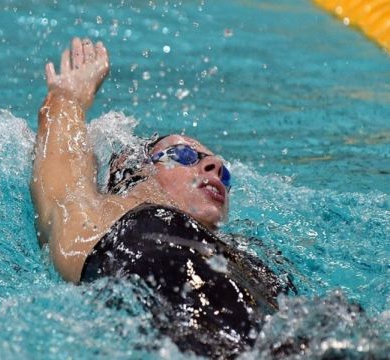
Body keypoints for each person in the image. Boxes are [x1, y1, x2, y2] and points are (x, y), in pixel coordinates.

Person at [30, 37, 292, 359]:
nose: (216, 166)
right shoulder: (100, 217)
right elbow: (59, 176)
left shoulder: (245, 256)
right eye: (184, 155)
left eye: (223, 173)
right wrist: (67, 97)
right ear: (134, 170)